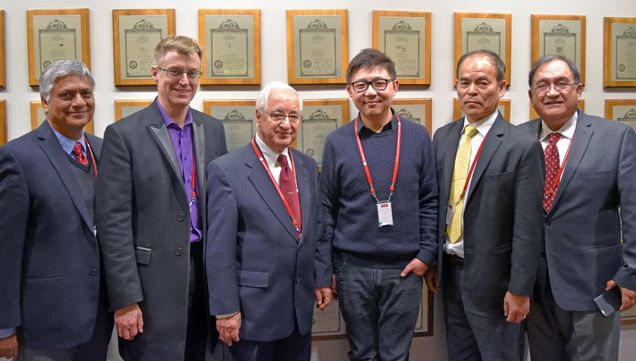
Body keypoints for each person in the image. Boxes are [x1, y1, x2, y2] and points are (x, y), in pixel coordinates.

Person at [95, 35, 227, 361]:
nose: (184, 81)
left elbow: (223, 213)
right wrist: (125, 300)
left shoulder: (213, 130)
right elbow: (113, 224)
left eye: (192, 73)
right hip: (151, 287)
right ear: (155, 73)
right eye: (175, 71)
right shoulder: (123, 135)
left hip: (205, 280)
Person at [320, 48, 438, 361]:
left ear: (395, 87)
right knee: (362, 354)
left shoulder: (417, 136)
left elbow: (430, 199)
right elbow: (327, 209)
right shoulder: (337, 141)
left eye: (379, 83)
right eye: (361, 85)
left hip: (405, 269)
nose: (371, 92)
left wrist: (427, 255)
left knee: (396, 355)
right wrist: (327, 268)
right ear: (350, 92)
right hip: (352, 269)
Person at [427, 49, 544, 361]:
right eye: (464, 83)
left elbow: (528, 226)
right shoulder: (444, 137)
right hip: (451, 275)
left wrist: (520, 289)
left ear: (502, 87)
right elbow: (436, 203)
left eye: (482, 82)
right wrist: (435, 262)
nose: (472, 91)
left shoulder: (522, 146)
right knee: (460, 355)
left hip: (498, 284)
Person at [519, 55, 636, 361]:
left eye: (561, 83)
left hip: (595, 283)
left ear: (579, 90)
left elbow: (634, 211)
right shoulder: (517, 139)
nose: (552, 91)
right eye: (542, 85)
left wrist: (631, 274)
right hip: (534, 289)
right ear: (531, 95)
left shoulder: (615, 138)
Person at [206, 81, 332, 361]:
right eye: (277, 115)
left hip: (299, 307)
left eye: (293, 116)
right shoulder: (227, 170)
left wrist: (322, 277)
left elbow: (317, 227)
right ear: (259, 116)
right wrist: (226, 310)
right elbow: (219, 250)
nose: (286, 124)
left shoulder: (307, 166)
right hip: (253, 314)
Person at [0, 60, 112, 361]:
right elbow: (5, 250)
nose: (79, 102)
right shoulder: (18, 157)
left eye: (86, 94)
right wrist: (4, 326)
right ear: (45, 101)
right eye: (67, 95)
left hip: (97, 321)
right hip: (43, 324)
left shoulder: (105, 150)